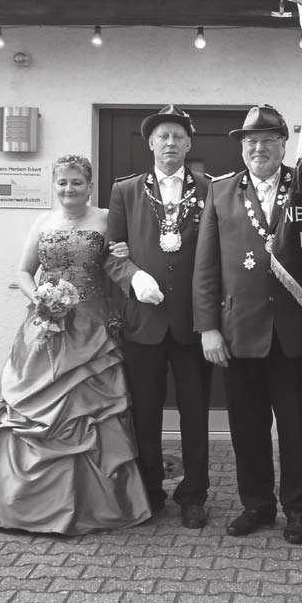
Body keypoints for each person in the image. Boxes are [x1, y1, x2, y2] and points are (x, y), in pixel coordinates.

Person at [0, 155, 151, 534]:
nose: (69, 189)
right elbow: (23, 270)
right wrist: (39, 297)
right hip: (47, 326)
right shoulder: (42, 222)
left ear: (90, 186)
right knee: (35, 406)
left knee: (89, 412)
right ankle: (24, 504)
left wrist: (123, 255)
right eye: (62, 183)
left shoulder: (105, 219)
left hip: (92, 330)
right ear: (54, 186)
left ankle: (97, 503)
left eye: (76, 182)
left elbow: (124, 262)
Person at [192, 105, 302, 544]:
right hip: (238, 330)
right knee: (246, 426)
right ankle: (257, 505)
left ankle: (298, 510)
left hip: (294, 331)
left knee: (296, 427)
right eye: (250, 142)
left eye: (267, 140)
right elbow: (205, 265)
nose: (258, 148)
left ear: (284, 144)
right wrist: (208, 327)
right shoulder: (220, 191)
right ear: (242, 148)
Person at [105, 105, 212, 529]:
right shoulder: (125, 191)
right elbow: (110, 256)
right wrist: (133, 277)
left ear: (189, 144)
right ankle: (150, 490)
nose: (170, 143)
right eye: (162, 137)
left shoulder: (210, 190)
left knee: (195, 411)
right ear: (151, 143)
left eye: (178, 137)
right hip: (143, 324)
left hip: (192, 322)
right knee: (145, 412)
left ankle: (194, 494)